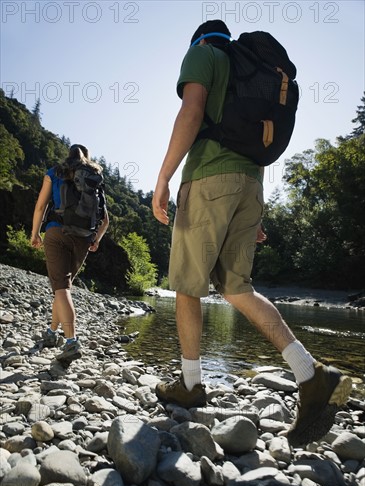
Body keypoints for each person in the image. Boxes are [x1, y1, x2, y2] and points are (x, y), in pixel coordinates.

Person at [152, 20, 352, 447]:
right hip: (251, 184)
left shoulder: (204, 53)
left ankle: (190, 385)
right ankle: (311, 375)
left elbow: (191, 110)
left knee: (187, 285)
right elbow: (260, 143)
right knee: (236, 287)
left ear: (201, 39)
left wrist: (165, 177)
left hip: (207, 178)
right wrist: (252, 209)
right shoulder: (256, 72)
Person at [30, 144, 109, 363]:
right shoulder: (94, 178)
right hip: (83, 238)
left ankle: (72, 342)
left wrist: (35, 233)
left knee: (61, 288)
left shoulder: (54, 172)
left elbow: (40, 207)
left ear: (68, 155)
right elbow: (105, 220)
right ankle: (51, 333)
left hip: (56, 231)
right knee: (62, 288)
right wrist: (96, 239)